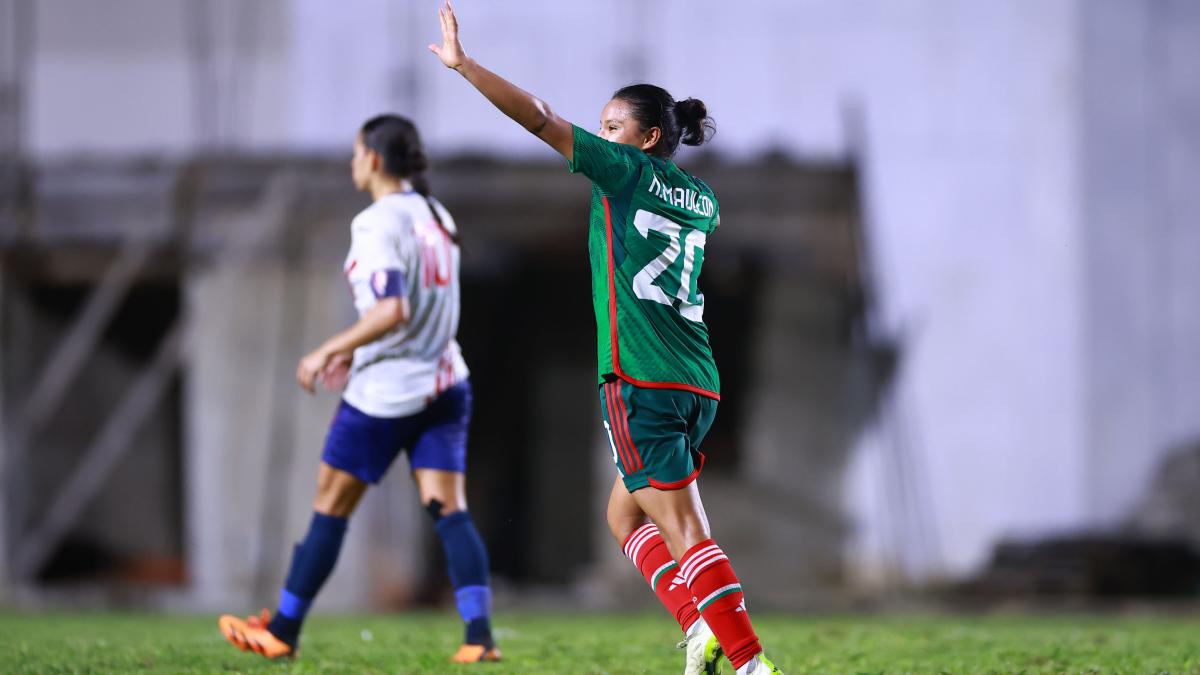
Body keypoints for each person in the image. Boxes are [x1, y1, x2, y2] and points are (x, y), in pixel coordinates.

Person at [429, 3, 783, 674]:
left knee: (683, 530)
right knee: (624, 515)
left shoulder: (622, 171)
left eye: (612, 126)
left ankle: (748, 662)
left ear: (647, 138)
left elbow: (538, 114)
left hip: (640, 378)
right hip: (695, 380)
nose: (598, 136)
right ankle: (701, 633)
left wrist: (465, 66)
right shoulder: (702, 198)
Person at [217, 114, 500, 664]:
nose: (352, 163)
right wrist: (357, 349)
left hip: (387, 393)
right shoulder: (436, 213)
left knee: (330, 507)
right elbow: (421, 309)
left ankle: (283, 629)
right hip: (445, 381)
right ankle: (479, 637)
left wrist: (330, 347)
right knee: (450, 510)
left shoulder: (377, 222)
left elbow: (393, 309)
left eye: (354, 153)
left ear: (372, 157)